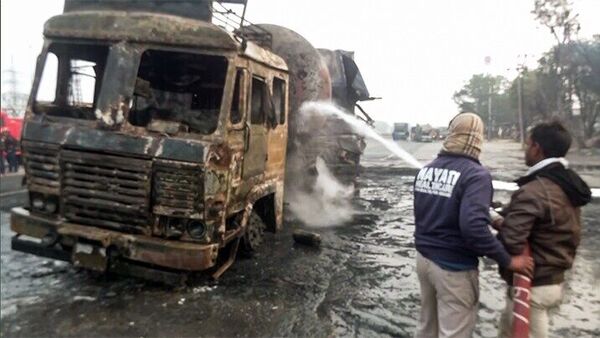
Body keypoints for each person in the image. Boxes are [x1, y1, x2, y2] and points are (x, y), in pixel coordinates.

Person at [413, 112, 534, 338]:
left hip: (424, 260)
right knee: (454, 332)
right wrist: (507, 260)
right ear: (478, 138)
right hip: (454, 268)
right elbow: (473, 228)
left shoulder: (426, 170)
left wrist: (492, 216)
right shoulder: (475, 175)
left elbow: (446, 204)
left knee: (426, 327)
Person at [494, 121, 591, 338]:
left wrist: (495, 226)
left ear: (537, 148)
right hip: (554, 281)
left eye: (527, 145)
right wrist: (502, 212)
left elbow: (511, 240)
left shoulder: (534, 190)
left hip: (531, 288)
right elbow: (545, 218)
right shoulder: (567, 183)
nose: (525, 150)